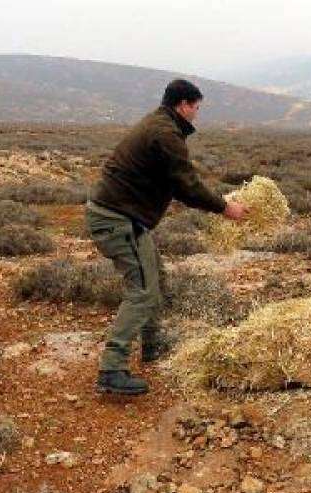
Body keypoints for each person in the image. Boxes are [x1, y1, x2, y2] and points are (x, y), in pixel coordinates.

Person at [86, 78, 247, 395]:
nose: (197, 115)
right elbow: (187, 185)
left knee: (154, 278)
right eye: (196, 108)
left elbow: (181, 183)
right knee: (142, 291)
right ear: (184, 105)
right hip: (118, 219)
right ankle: (111, 369)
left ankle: (152, 346)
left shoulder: (161, 125)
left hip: (123, 216)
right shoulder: (165, 133)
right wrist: (225, 208)